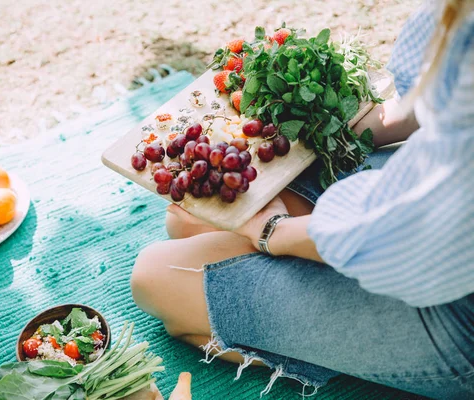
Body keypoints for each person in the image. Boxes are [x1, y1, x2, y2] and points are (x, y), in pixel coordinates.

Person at [130, 0, 474, 398]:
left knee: (152, 277)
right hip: (427, 204)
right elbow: (441, 99)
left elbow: (408, 240)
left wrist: (273, 233)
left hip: (450, 296)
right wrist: (347, 132)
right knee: (187, 222)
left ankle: (359, 361)